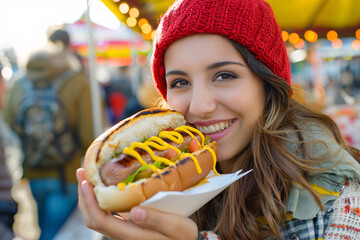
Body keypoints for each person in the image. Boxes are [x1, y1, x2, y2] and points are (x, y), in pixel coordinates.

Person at [76, 0, 360, 239]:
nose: (200, 106)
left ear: (267, 84)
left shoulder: (340, 198)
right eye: (179, 82)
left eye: (224, 75)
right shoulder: (151, 198)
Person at [4, 30, 94, 240]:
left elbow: (9, 123)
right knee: (55, 233)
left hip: (33, 173)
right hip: (66, 174)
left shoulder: (20, 82)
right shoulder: (77, 80)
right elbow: (89, 135)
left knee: (43, 229)